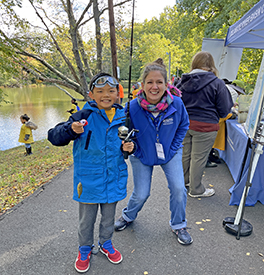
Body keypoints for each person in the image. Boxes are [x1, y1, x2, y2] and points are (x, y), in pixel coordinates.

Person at [48, 72, 135, 273]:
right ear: (91, 95)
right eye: (100, 91)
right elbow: (54, 137)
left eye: (111, 91)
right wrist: (70, 129)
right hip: (87, 180)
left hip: (114, 178)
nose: (106, 95)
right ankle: (85, 248)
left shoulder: (125, 117)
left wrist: (130, 148)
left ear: (118, 94)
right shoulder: (82, 116)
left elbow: (129, 144)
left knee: (108, 218)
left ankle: (106, 243)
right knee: (86, 220)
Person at [114, 58, 193, 245]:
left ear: (167, 84)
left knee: (179, 188)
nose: (154, 86)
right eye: (150, 82)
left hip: (170, 153)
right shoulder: (131, 107)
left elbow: (184, 125)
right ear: (142, 85)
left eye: (159, 82)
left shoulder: (177, 104)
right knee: (141, 193)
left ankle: (179, 224)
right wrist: (132, 147)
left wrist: (173, 148)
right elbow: (123, 133)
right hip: (142, 155)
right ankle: (128, 216)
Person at [176, 51, 233, 198]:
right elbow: (224, 109)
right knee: (198, 158)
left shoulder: (181, 81)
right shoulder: (217, 83)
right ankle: (196, 189)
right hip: (206, 126)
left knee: (185, 156)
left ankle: (182, 184)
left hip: (184, 124)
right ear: (211, 65)